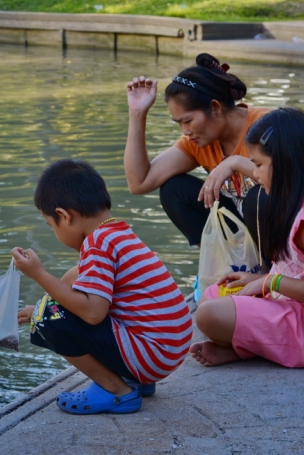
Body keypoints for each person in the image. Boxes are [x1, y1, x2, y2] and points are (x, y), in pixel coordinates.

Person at [189, 107, 304, 368]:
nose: (255, 174)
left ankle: (249, 348)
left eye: (259, 165)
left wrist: (271, 282)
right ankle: (251, 345)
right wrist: (258, 280)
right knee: (210, 297)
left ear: (286, 162)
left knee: (209, 315)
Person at [11, 159, 193, 414]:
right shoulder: (117, 233)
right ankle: (137, 380)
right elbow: (76, 279)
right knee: (48, 308)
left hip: (153, 354)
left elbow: (93, 313)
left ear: (64, 216)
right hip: (168, 348)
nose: (54, 231)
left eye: (51, 226)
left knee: (47, 319)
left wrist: (38, 275)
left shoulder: (98, 244)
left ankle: (116, 390)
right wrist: (43, 303)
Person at [124, 53, 272, 291]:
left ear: (214, 108)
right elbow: (138, 182)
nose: (185, 131)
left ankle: (270, 272)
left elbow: (289, 185)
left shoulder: (268, 124)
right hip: (244, 236)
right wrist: (137, 114)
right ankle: (222, 265)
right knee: (174, 190)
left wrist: (234, 162)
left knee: (258, 197)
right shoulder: (198, 142)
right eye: (179, 124)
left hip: (281, 231)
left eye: (188, 121)